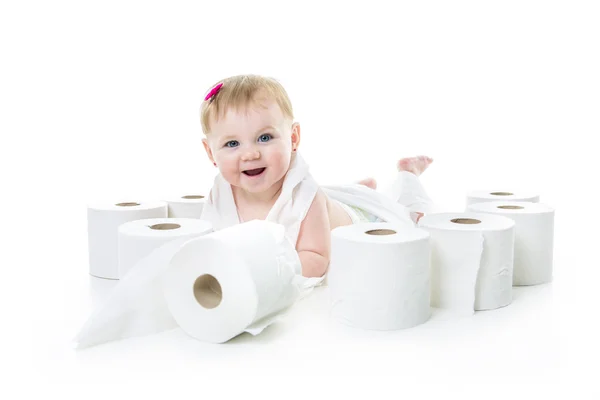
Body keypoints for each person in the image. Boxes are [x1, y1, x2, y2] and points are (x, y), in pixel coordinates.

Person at [199, 74, 434, 279]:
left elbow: (317, 259)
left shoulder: (305, 197)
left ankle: (408, 174)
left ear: (293, 138)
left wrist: (260, 275)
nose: (250, 153)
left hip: (363, 223)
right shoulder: (220, 196)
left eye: (265, 138)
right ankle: (358, 190)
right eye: (232, 143)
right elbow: (208, 246)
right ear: (210, 152)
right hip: (329, 206)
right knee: (337, 198)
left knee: (410, 217)